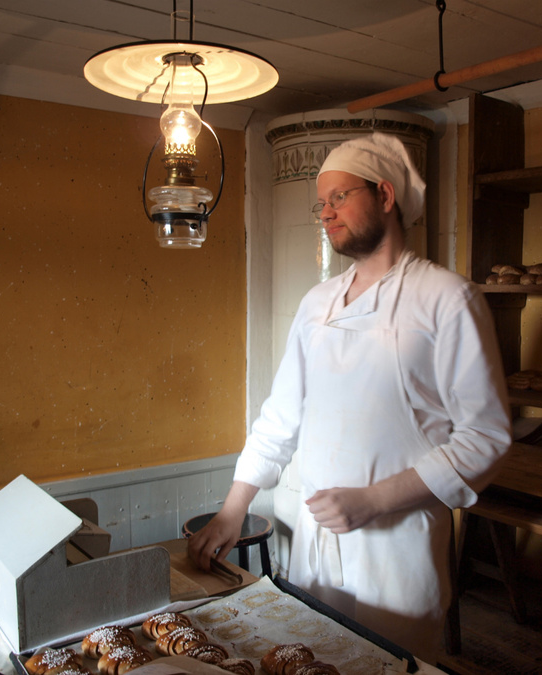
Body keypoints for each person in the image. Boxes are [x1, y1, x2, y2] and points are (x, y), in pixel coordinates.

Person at [188, 132, 511, 663]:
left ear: (384, 195)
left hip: (396, 554)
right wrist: (232, 511)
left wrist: (373, 501)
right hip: (316, 552)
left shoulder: (447, 299)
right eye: (321, 202)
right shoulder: (317, 304)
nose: (325, 213)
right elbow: (280, 417)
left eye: (339, 197)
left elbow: (486, 438)